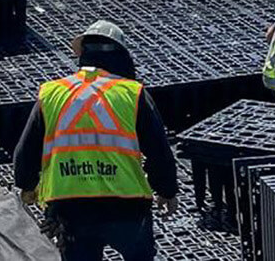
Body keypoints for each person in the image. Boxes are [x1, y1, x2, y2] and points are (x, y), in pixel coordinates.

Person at [12, 21, 177, 261]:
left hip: (71, 209)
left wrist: (28, 187)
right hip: (127, 207)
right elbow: (159, 151)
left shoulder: (52, 93)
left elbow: (25, 153)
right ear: (121, 56)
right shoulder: (133, 93)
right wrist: (167, 191)